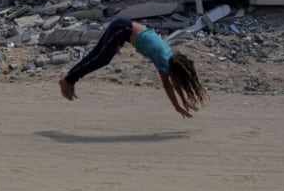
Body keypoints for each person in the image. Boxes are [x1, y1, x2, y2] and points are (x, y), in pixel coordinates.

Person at [58, 18, 207, 118]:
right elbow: (168, 85)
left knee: (100, 56)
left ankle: (70, 80)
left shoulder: (170, 57)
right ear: (176, 72)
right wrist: (177, 107)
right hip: (122, 29)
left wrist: (184, 101)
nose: (178, 82)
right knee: (100, 58)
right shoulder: (164, 61)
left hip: (125, 31)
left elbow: (174, 83)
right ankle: (68, 80)